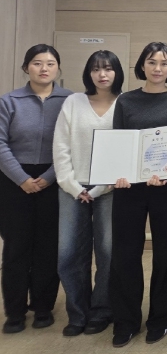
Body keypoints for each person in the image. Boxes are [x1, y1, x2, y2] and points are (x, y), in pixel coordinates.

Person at [109, 42, 167, 348]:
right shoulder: (125, 100)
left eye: (164, 63)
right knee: (125, 254)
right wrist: (119, 172)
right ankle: (126, 320)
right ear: (142, 65)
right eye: (152, 62)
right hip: (129, 187)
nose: (158, 68)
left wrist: (162, 170)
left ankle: (160, 318)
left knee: (166, 253)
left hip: (166, 185)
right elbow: (119, 140)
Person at [0, 44, 72, 333]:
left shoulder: (71, 101)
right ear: (26, 67)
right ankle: (15, 312)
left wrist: (50, 176)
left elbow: (73, 143)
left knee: (48, 247)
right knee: (15, 248)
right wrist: (21, 178)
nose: (44, 68)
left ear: (58, 68)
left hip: (54, 179)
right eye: (37, 63)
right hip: (13, 180)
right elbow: (0, 144)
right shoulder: (9, 101)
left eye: (50, 63)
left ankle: (43, 307)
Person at [53, 50, 124, 337]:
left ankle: (101, 310)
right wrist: (74, 186)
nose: (102, 74)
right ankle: (77, 313)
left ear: (117, 72)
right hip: (72, 187)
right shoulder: (73, 102)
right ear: (88, 73)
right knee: (69, 253)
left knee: (107, 252)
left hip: (110, 189)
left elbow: (125, 150)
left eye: (108, 68)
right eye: (96, 69)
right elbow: (61, 147)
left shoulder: (124, 103)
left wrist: (99, 188)